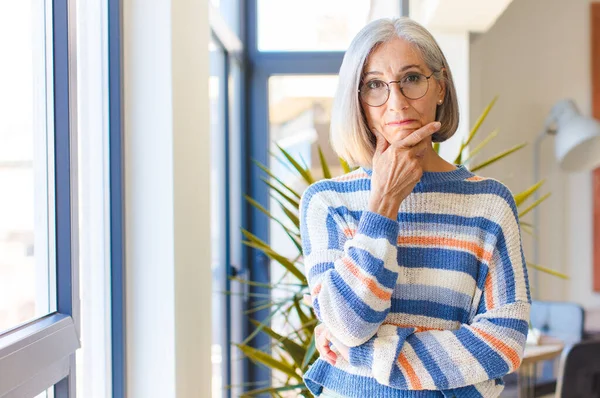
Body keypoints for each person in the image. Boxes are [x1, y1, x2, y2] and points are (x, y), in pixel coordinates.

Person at [299, 17, 531, 398]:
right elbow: (349, 325)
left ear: (439, 86)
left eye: (411, 78)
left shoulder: (489, 203)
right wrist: (383, 204)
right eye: (375, 85)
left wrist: (367, 356)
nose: (397, 102)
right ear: (359, 102)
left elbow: (504, 341)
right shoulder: (326, 201)